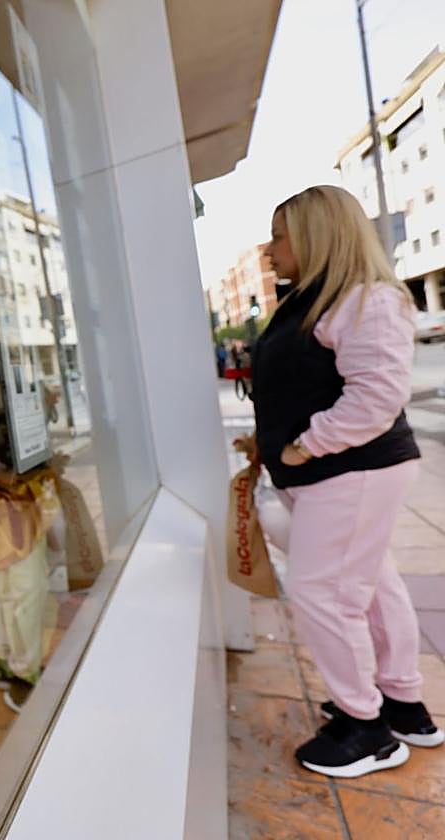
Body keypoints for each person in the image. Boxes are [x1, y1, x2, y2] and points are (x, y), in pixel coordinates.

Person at [243, 184, 437, 779]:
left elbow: (376, 396)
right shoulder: (317, 299)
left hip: (350, 469)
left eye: (279, 235)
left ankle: (366, 730)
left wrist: (305, 445)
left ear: (315, 235)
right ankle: (399, 703)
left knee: (323, 591)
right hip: (337, 470)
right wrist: (270, 442)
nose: (270, 249)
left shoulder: (364, 300)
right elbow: (304, 385)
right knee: (372, 586)